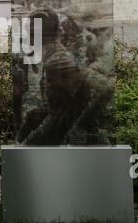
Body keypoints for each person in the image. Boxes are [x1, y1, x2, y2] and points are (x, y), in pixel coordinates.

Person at [17, 8, 114, 146]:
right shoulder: (55, 58)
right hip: (69, 138)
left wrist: (79, 124)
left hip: (76, 141)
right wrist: (34, 117)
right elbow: (63, 101)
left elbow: (106, 88)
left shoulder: (58, 61)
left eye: (28, 34)